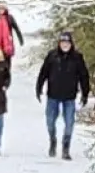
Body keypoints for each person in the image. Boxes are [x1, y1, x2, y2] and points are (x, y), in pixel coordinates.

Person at [36, 30, 91, 159]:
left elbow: (84, 76)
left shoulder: (77, 58)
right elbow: (43, 73)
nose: (65, 45)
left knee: (69, 124)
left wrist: (85, 93)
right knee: (50, 121)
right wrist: (38, 87)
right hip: (53, 95)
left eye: (67, 43)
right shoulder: (52, 56)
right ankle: (53, 141)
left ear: (71, 44)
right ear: (59, 43)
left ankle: (66, 147)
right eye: (62, 42)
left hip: (69, 96)